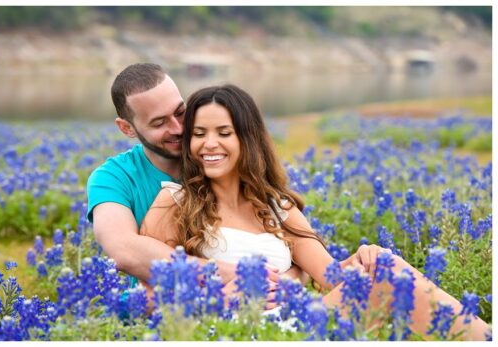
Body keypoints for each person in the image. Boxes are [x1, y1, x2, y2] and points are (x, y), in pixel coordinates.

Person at [139, 84, 489, 340]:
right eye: (198, 134)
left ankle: (484, 339)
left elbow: (332, 278)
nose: (208, 144)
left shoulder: (276, 207)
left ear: (248, 138)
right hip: (230, 330)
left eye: (223, 132)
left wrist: (365, 258)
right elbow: (149, 299)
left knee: (383, 263)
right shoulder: (175, 202)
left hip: (299, 322)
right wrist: (211, 297)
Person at [87, 63, 305, 291]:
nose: (178, 128)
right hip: (165, 310)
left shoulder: (221, 161)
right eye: (159, 123)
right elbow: (125, 251)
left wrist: (274, 285)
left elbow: (296, 249)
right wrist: (237, 278)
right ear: (126, 128)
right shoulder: (112, 178)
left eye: (181, 113)